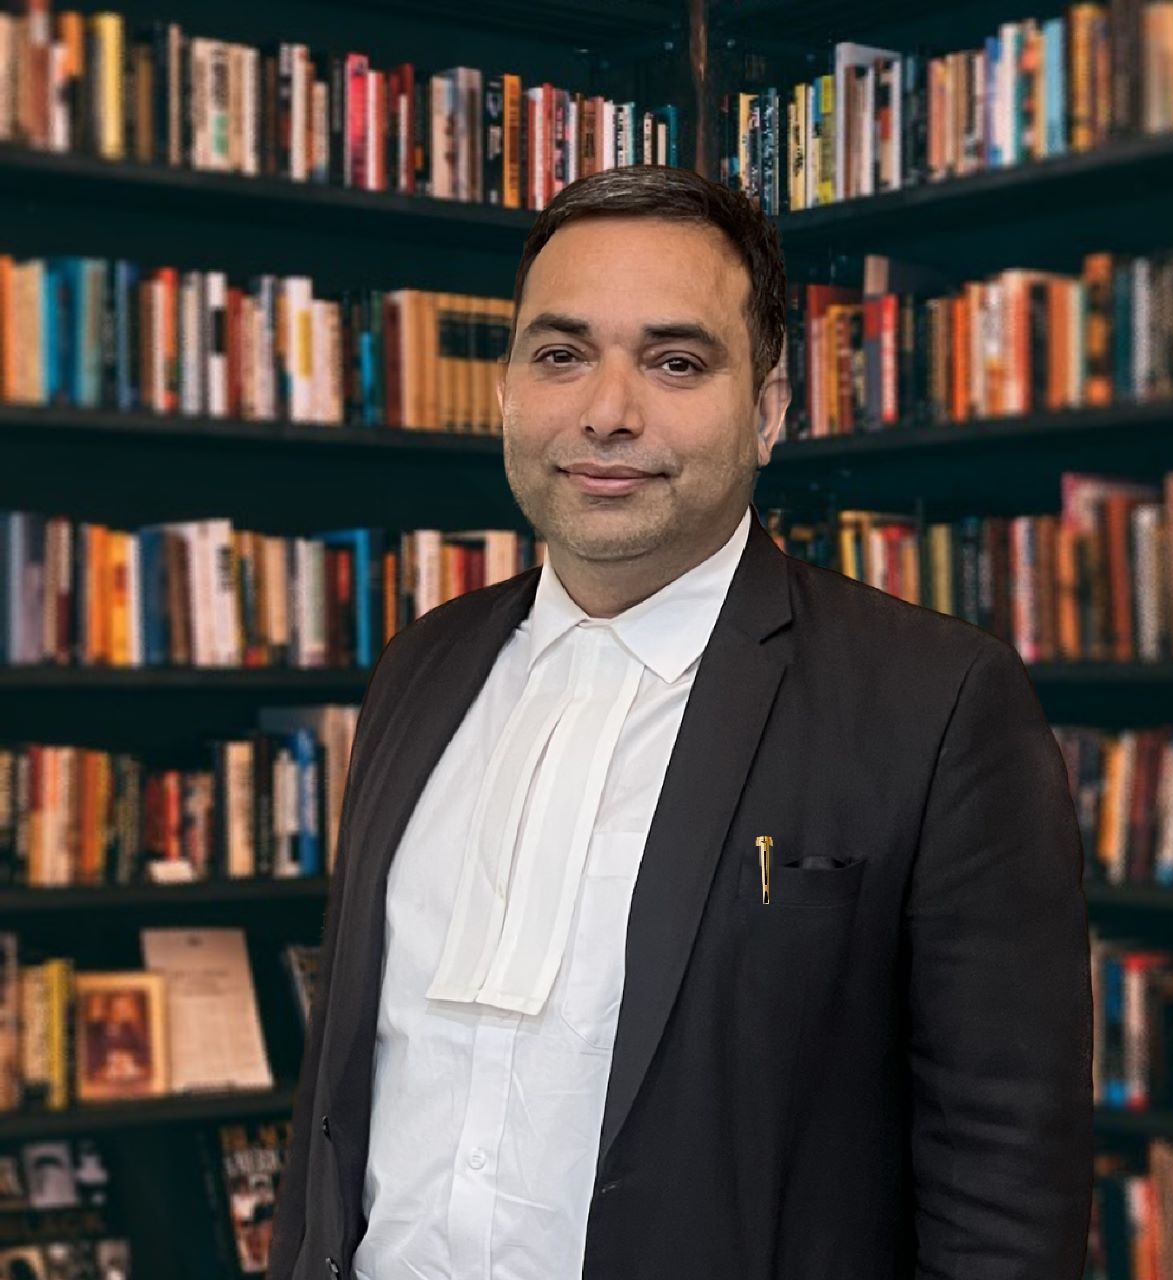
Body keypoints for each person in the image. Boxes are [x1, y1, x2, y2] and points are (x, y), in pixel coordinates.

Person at [267, 165, 1093, 1280]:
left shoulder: (937, 703)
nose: (607, 411)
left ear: (768, 409)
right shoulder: (423, 665)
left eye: (675, 362)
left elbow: (1006, 1185)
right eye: (560, 355)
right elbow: (342, 1089)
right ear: (506, 390)